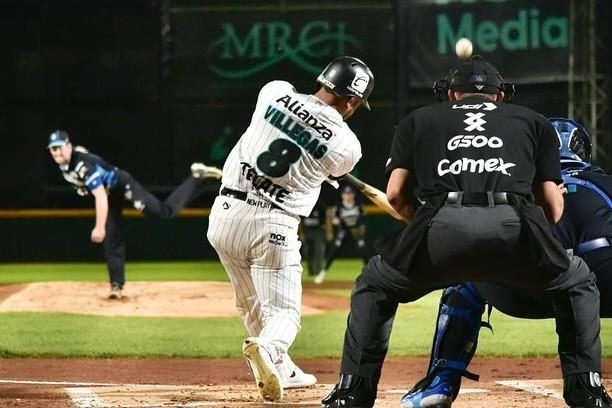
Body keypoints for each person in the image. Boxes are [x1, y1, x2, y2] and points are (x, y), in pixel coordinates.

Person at [321, 55, 605, 408]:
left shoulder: (418, 119)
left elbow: (394, 195)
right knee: (577, 282)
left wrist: (430, 228)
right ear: (500, 97)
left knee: (374, 285)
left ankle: (352, 393)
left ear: (452, 95)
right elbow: (553, 207)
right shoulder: (535, 123)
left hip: (440, 221)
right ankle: (586, 391)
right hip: (514, 228)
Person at [402, 117, 612, 408]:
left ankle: (439, 384)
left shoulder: (509, 183)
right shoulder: (606, 183)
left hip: (521, 293)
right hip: (604, 289)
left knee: (467, 275)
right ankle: (585, 387)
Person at [206, 56, 374, 402]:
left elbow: (291, 118)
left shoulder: (274, 92)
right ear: (353, 100)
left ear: (324, 80)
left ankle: (281, 368)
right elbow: (325, 165)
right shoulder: (347, 146)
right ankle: (268, 349)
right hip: (273, 225)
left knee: (251, 303)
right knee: (283, 315)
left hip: (224, 215)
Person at [47, 129, 221, 299]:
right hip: (111, 196)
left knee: (163, 213)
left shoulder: (81, 165)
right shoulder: (68, 163)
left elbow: (99, 195)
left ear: (68, 145)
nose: (56, 152)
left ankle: (197, 177)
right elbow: (82, 152)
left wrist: (99, 227)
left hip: (122, 186)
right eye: (52, 149)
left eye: (59, 147)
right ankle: (116, 286)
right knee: (112, 237)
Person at [314, 184, 367, 284]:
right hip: (343, 230)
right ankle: (323, 272)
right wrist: (336, 221)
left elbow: (362, 219)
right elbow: (333, 219)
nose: (348, 196)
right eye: (346, 194)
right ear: (343, 195)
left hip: (355, 231)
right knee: (334, 251)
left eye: (350, 194)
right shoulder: (339, 207)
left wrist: (360, 230)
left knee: (363, 250)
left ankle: (368, 273)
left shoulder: (358, 205)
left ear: (353, 195)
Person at [301, 199, 328, 277]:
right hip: (307, 230)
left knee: (318, 251)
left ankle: (318, 271)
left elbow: (325, 219)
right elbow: (301, 220)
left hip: (318, 230)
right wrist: (301, 233)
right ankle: (311, 271)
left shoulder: (320, 205)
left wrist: (326, 232)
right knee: (308, 251)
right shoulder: (304, 204)